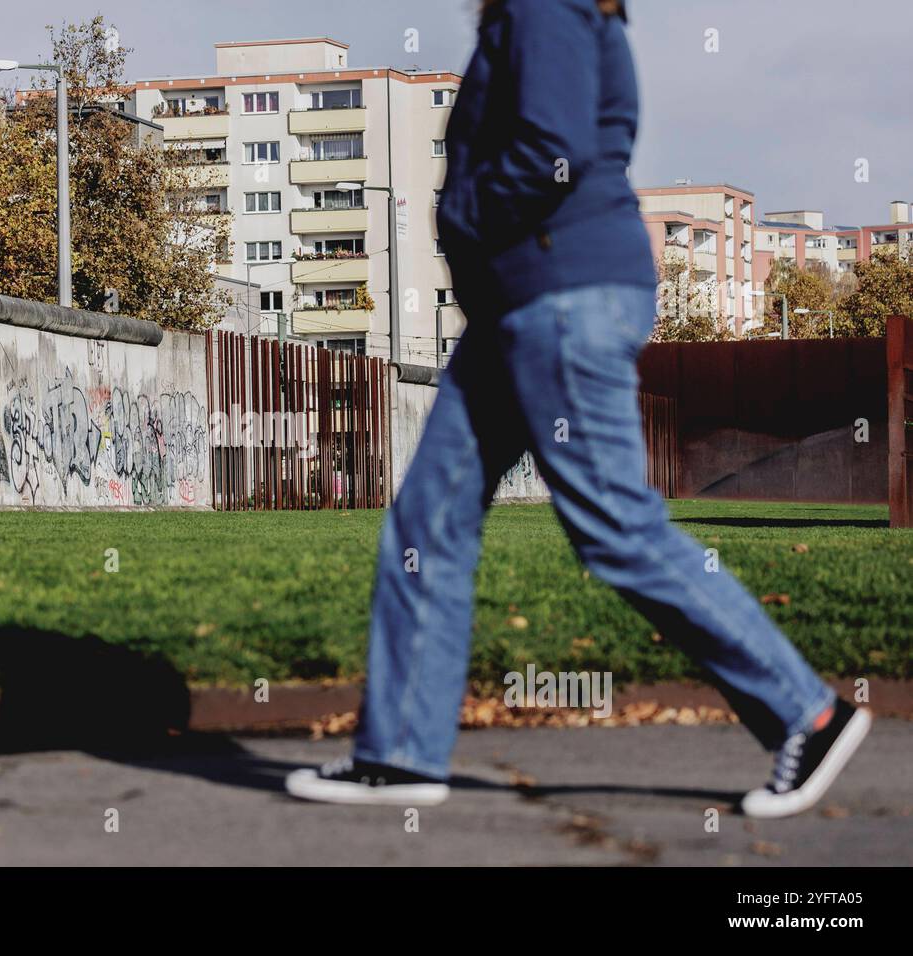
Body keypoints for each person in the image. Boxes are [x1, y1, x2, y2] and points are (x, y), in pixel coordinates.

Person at [285, 0, 870, 819]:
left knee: (616, 529)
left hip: (562, 299)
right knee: (429, 521)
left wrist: (461, 220)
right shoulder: (576, 17)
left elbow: (553, 152)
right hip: (520, 308)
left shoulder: (547, 7)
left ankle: (807, 711)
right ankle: (399, 755)